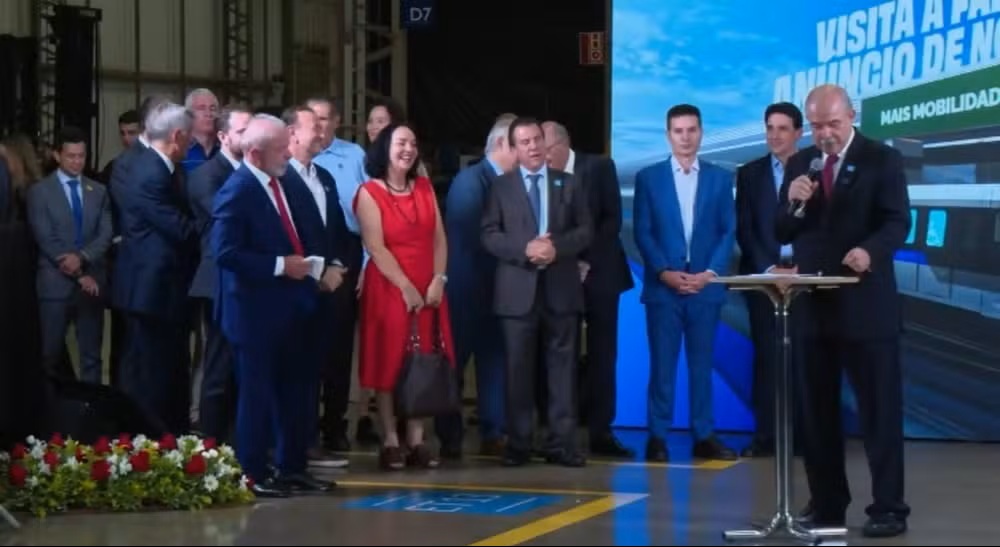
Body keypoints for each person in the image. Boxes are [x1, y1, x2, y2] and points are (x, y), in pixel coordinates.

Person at [776, 84, 910, 538]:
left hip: (865, 306)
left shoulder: (882, 159)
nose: (824, 134)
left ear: (852, 116)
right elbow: (780, 229)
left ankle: (888, 508)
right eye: (816, 126)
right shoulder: (801, 163)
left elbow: (897, 220)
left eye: (832, 123)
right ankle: (827, 503)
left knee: (879, 413)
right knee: (816, 414)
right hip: (813, 308)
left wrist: (870, 251)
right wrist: (793, 204)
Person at [212, 114, 334, 497]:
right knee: (257, 395)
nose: (288, 154)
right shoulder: (238, 190)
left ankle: (291, 467)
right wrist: (281, 265)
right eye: (281, 149)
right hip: (254, 313)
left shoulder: (280, 182)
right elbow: (225, 252)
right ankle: (253, 471)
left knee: (295, 392)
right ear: (254, 153)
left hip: (291, 308)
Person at [480, 117, 591, 467]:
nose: (533, 146)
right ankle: (519, 444)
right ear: (514, 149)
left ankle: (562, 444)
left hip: (561, 290)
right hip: (517, 292)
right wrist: (525, 249)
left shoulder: (569, 183)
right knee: (518, 371)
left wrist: (556, 249)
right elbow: (489, 234)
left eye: (537, 139)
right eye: (525, 142)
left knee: (563, 372)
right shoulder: (501, 187)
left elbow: (585, 230)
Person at [632, 104, 737, 462]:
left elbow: (727, 231)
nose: (686, 137)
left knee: (701, 367)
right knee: (662, 367)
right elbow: (643, 231)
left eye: (692, 130)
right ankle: (657, 437)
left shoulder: (720, 178)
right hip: (664, 289)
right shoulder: (649, 178)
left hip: (705, 287)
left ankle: (704, 435)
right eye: (678, 131)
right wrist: (663, 271)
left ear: (701, 133)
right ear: (668, 135)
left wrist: (709, 274)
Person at [354, 123, 453, 470]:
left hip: (428, 287)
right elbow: (376, 247)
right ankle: (390, 440)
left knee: (423, 359)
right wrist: (405, 287)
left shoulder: (424, 187)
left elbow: (439, 238)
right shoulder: (369, 192)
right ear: (385, 148)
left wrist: (438, 279)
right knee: (389, 361)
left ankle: (417, 439)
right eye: (400, 143)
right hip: (388, 287)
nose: (408, 149)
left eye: (412, 143)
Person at [542, 121, 634, 458]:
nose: (541, 155)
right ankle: (558, 432)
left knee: (603, 355)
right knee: (558, 353)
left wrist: (585, 261)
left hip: (601, 273)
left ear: (562, 145)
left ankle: (601, 432)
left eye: (546, 148)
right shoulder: (540, 174)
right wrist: (567, 262)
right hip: (558, 276)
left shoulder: (599, 167)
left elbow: (612, 220)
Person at [434, 115, 518, 459]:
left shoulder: (508, 181)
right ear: (500, 144)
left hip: (499, 289)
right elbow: (472, 236)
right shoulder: (470, 181)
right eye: (518, 145)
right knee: (455, 362)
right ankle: (450, 436)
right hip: (466, 289)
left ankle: (493, 431)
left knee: (494, 363)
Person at [734, 102, 803, 457]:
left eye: (782, 128)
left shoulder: (816, 169)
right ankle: (766, 436)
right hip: (764, 281)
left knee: (805, 360)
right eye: (770, 128)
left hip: (806, 280)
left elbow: (823, 227)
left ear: (798, 133)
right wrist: (768, 269)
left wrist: (800, 268)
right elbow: (745, 229)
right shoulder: (749, 174)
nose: (774, 135)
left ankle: (805, 438)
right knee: (766, 360)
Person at [25, 126, 112, 384]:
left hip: (91, 287)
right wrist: (79, 274)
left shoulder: (99, 191)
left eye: (81, 156)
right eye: (71, 156)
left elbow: (105, 234)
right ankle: (48, 407)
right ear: (57, 155)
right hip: (55, 286)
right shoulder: (39, 192)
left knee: (92, 357)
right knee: (49, 356)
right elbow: (45, 238)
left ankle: (90, 408)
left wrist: (82, 257)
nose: (77, 162)